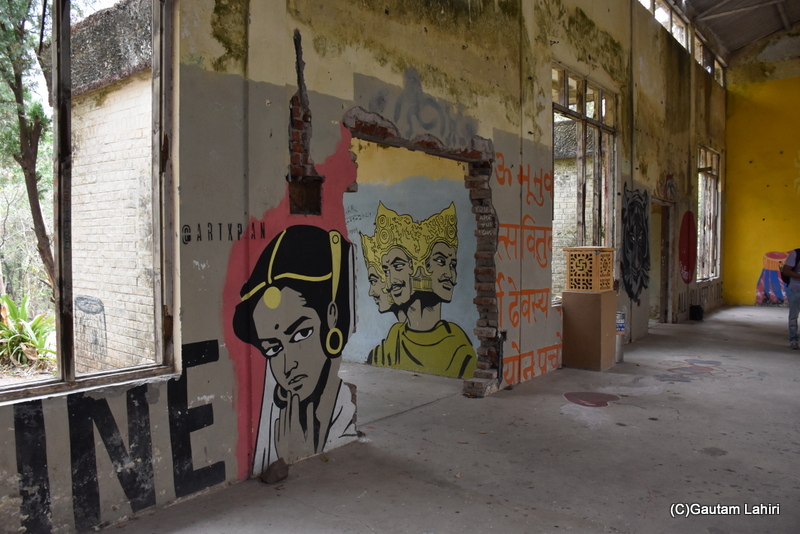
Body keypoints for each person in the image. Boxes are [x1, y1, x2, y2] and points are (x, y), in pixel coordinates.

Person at [233, 225, 357, 473]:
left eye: (301, 334)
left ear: (331, 316)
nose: (288, 365)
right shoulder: (274, 422)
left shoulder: (343, 409)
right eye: (272, 349)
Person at [782, 249, 800, 350]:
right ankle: (793, 339)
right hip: (796, 290)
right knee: (793, 316)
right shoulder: (796, 254)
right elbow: (786, 271)